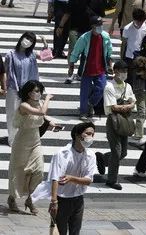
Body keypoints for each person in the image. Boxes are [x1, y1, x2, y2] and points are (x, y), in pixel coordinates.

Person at [32, 121, 97, 234]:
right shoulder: (62, 154)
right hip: (62, 199)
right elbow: (54, 178)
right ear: (77, 135)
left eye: (92, 134)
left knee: (75, 231)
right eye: (87, 133)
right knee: (60, 231)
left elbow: (88, 180)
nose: (90, 137)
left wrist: (71, 178)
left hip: (78, 199)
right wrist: (54, 202)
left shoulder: (91, 155)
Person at [8, 80, 60, 214]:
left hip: (35, 141)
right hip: (22, 142)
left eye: (39, 91)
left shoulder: (40, 103)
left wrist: (51, 123)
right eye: (36, 91)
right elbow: (41, 113)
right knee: (18, 171)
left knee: (39, 171)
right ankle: (12, 198)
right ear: (28, 92)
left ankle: (30, 199)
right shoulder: (24, 105)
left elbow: (44, 116)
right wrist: (48, 99)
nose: (38, 93)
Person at [68, 15, 113, 120]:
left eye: (101, 24)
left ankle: (90, 104)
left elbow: (109, 52)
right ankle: (83, 112)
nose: (100, 27)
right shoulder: (85, 38)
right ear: (92, 27)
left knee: (102, 88)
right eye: (98, 25)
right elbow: (76, 52)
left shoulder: (105, 37)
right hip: (87, 69)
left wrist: (110, 65)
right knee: (85, 92)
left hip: (100, 69)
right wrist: (71, 66)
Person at [100, 60, 135, 190]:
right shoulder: (109, 87)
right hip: (113, 120)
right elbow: (113, 107)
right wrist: (127, 106)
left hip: (125, 120)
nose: (125, 73)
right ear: (115, 71)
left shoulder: (127, 86)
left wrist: (127, 106)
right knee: (116, 152)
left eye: (126, 71)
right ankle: (112, 180)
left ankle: (103, 159)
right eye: (122, 71)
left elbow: (133, 101)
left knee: (123, 153)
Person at [4, 31, 44, 145]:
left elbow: (47, 56)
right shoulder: (10, 54)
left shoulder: (31, 54)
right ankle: (12, 139)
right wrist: (3, 86)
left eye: (31, 40)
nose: (28, 41)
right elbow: (5, 72)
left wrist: (45, 43)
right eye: (27, 38)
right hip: (13, 88)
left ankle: (24, 138)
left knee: (29, 114)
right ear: (22, 38)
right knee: (12, 113)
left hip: (28, 90)